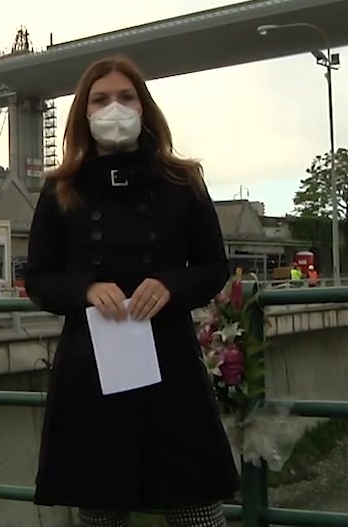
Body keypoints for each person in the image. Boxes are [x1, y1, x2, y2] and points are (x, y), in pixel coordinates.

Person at [25, 57, 238, 527]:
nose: (113, 109)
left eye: (125, 98)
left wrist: (169, 284)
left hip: (170, 362)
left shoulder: (182, 181)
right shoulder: (61, 189)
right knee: (101, 507)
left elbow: (213, 266)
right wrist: (85, 288)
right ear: (83, 113)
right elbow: (38, 279)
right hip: (94, 367)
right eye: (100, 100)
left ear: (144, 108)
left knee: (196, 504)